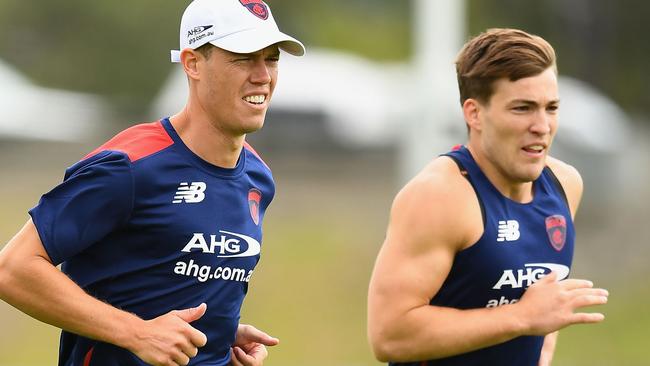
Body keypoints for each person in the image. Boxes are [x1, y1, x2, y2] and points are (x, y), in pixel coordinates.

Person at [0, 0, 304, 365]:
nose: (262, 76)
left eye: (271, 59)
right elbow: (13, 269)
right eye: (242, 58)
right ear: (193, 64)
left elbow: (167, 282)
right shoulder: (130, 166)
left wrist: (219, 337)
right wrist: (136, 333)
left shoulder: (257, 176)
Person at [367, 28, 608, 366]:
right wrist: (522, 316)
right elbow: (390, 335)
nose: (542, 125)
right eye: (522, 108)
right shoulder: (439, 195)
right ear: (474, 113)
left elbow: (544, 309)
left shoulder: (565, 184)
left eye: (550, 108)